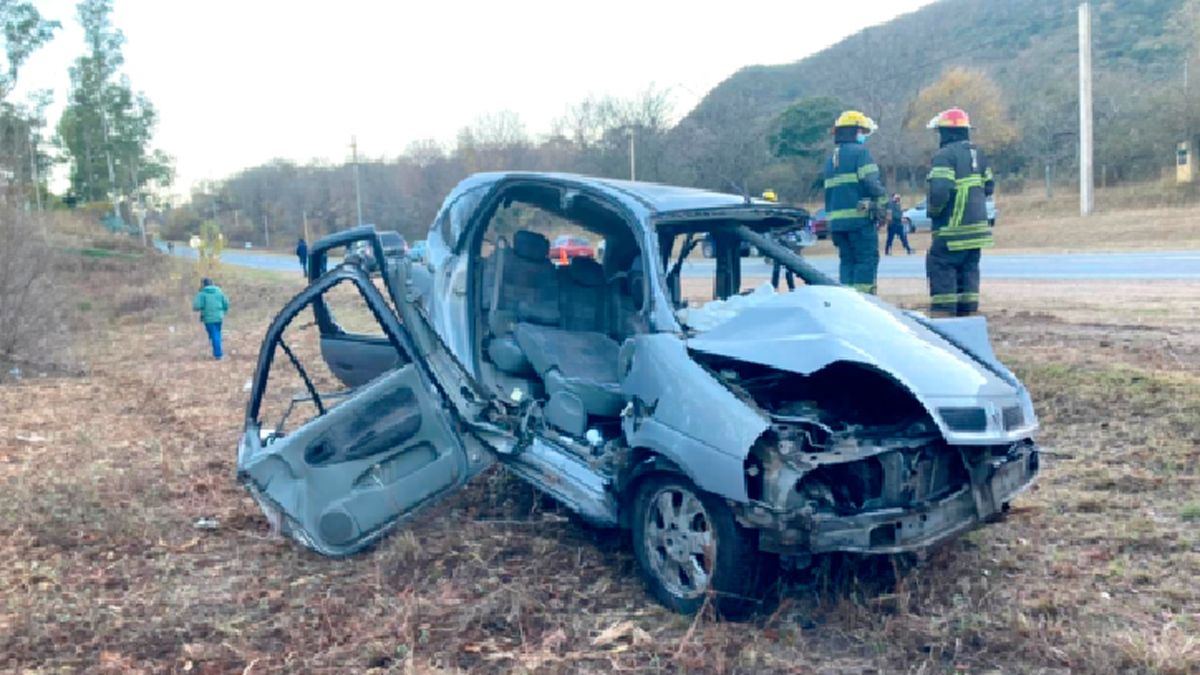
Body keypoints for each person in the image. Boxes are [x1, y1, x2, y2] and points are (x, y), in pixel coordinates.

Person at [924, 107, 994, 317]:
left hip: (952, 228)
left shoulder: (944, 156)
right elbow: (989, 187)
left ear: (946, 132)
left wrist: (934, 211)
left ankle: (944, 313)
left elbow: (939, 191)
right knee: (968, 268)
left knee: (940, 264)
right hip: (977, 230)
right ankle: (968, 313)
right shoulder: (979, 154)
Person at [823, 110, 888, 294]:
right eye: (862, 132)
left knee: (847, 262)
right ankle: (864, 300)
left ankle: (848, 301)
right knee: (866, 261)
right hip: (859, 222)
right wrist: (884, 204)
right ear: (854, 131)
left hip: (837, 225)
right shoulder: (861, 154)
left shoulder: (831, 160)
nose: (863, 136)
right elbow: (871, 183)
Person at [192, 277, 230, 360]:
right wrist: (224, 311)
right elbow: (226, 303)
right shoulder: (219, 291)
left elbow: (196, 306)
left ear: (203, 285)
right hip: (219, 317)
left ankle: (218, 355)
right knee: (216, 333)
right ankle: (216, 350)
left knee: (214, 335)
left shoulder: (202, 293)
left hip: (208, 318)